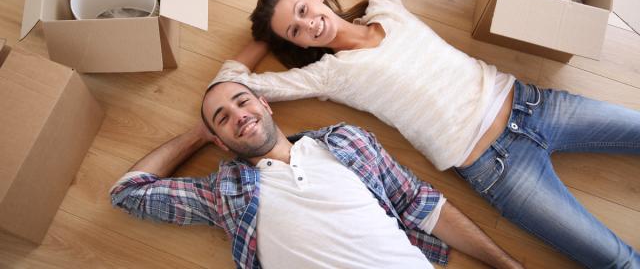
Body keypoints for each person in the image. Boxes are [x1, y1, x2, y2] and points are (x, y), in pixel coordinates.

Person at [212, 0, 640, 268]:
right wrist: (268, 36)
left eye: (304, 11)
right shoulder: (327, 75)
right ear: (298, 45)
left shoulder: (386, 7)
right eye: (295, 32)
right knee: (615, 259)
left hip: (532, 105)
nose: (309, 26)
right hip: (498, 169)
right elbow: (230, 79)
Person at [110, 81, 523, 269]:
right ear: (219, 141)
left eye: (242, 102)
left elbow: (425, 207)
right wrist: (197, 133)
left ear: (266, 105)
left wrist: (507, 266)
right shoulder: (224, 191)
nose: (238, 116)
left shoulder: (346, 140)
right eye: (222, 119)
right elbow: (128, 192)